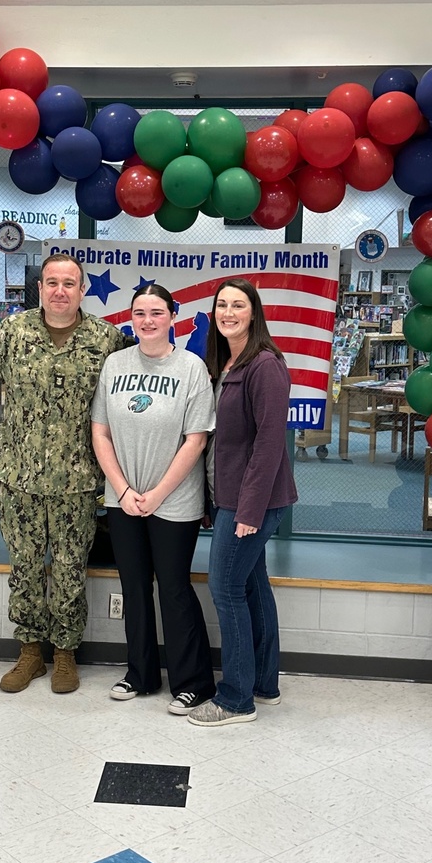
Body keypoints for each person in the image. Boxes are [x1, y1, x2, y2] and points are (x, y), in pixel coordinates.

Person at [0, 253, 127, 695]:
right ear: (39, 288)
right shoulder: (12, 333)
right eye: (52, 282)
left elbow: (121, 403)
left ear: (82, 290)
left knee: (68, 568)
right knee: (23, 566)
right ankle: (29, 653)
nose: (60, 290)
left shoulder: (106, 340)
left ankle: (64, 653)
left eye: (70, 283)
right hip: (18, 476)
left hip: (77, 481)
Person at [91, 284, 216, 714]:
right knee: (135, 588)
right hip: (122, 499)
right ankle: (139, 674)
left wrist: (158, 494)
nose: (147, 320)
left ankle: (193, 682)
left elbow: (195, 440)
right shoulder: (114, 365)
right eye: (140, 312)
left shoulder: (191, 368)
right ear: (131, 318)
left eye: (157, 312)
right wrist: (124, 491)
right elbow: (100, 432)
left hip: (175, 501)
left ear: (171, 316)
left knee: (174, 589)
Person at [187, 278, 298, 727]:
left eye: (238, 305)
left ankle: (235, 699)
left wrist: (248, 512)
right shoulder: (227, 362)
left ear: (254, 312)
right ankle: (264, 684)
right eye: (221, 305)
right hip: (231, 496)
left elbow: (270, 444)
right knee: (252, 587)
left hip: (253, 502)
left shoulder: (264, 365)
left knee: (226, 589)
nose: (228, 312)